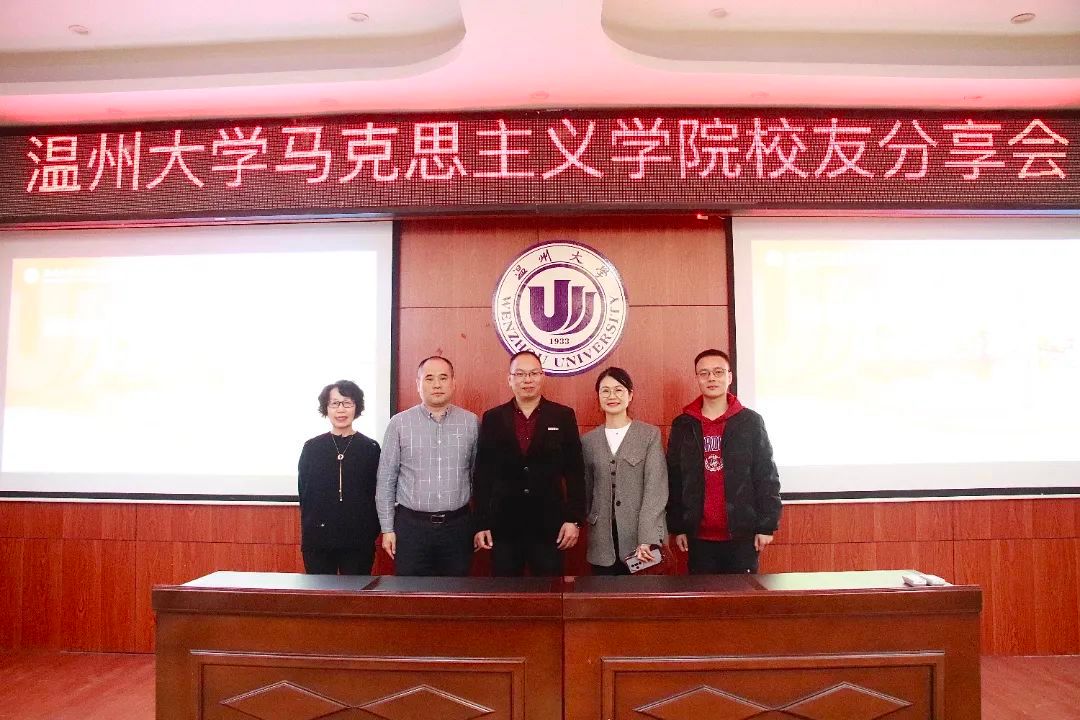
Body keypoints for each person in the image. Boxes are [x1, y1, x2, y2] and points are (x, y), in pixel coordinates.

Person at [666, 349, 782, 574]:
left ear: (729, 377)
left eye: (718, 372)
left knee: (741, 595)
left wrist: (767, 525)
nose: (711, 378)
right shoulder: (683, 424)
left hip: (742, 534)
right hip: (698, 537)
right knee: (703, 595)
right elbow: (674, 477)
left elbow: (766, 474)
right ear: (697, 378)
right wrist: (678, 527)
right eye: (704, 373)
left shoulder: (750, 422)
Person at [473, 350, 586, 576]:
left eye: (533, 373)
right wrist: (481, 523)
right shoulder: (493, 418)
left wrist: (573, 519)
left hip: (549, 526)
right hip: (504, 527)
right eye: (520, 374)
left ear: (542, 377)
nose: (527, 380)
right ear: (510, 379)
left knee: (549, 591)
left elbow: (575, 472)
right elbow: (483, 474)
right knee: (505, 592)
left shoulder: (562, 416)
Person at [376, 356, 479, 576]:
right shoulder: (399, 424)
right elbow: (386, 480)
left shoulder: (470, 423)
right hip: (411, 528)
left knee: (456, 592)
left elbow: (477, 476)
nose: (437, 384)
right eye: (429, 378)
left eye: (443, 378)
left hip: (457, 527)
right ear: (418, 384)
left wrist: (479, 524)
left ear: (453, 383)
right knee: (411, 593)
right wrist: (387, 528)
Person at [580, 367, 667, 575]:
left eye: (619, 390)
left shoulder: (649, 435)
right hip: (601, 540)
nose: (612, 396)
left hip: (639, 539)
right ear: (598, 397)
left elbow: (655, 489)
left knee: (639, 594)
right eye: (605, 391)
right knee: (602, 593)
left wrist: (647, 538)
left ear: (630, 395)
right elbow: (586, 490)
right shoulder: (588, 441)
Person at [297, 380, 381, 575]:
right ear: (326, 408)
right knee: (319, 593)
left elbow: (376, 492)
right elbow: (304, 493)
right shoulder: (311, 447)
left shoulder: (370, 448)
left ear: (357, 407)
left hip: (358, 540)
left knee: (355, 593)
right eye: (334, 403)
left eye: (347, 403)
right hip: (318, 539)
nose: (341, 410)